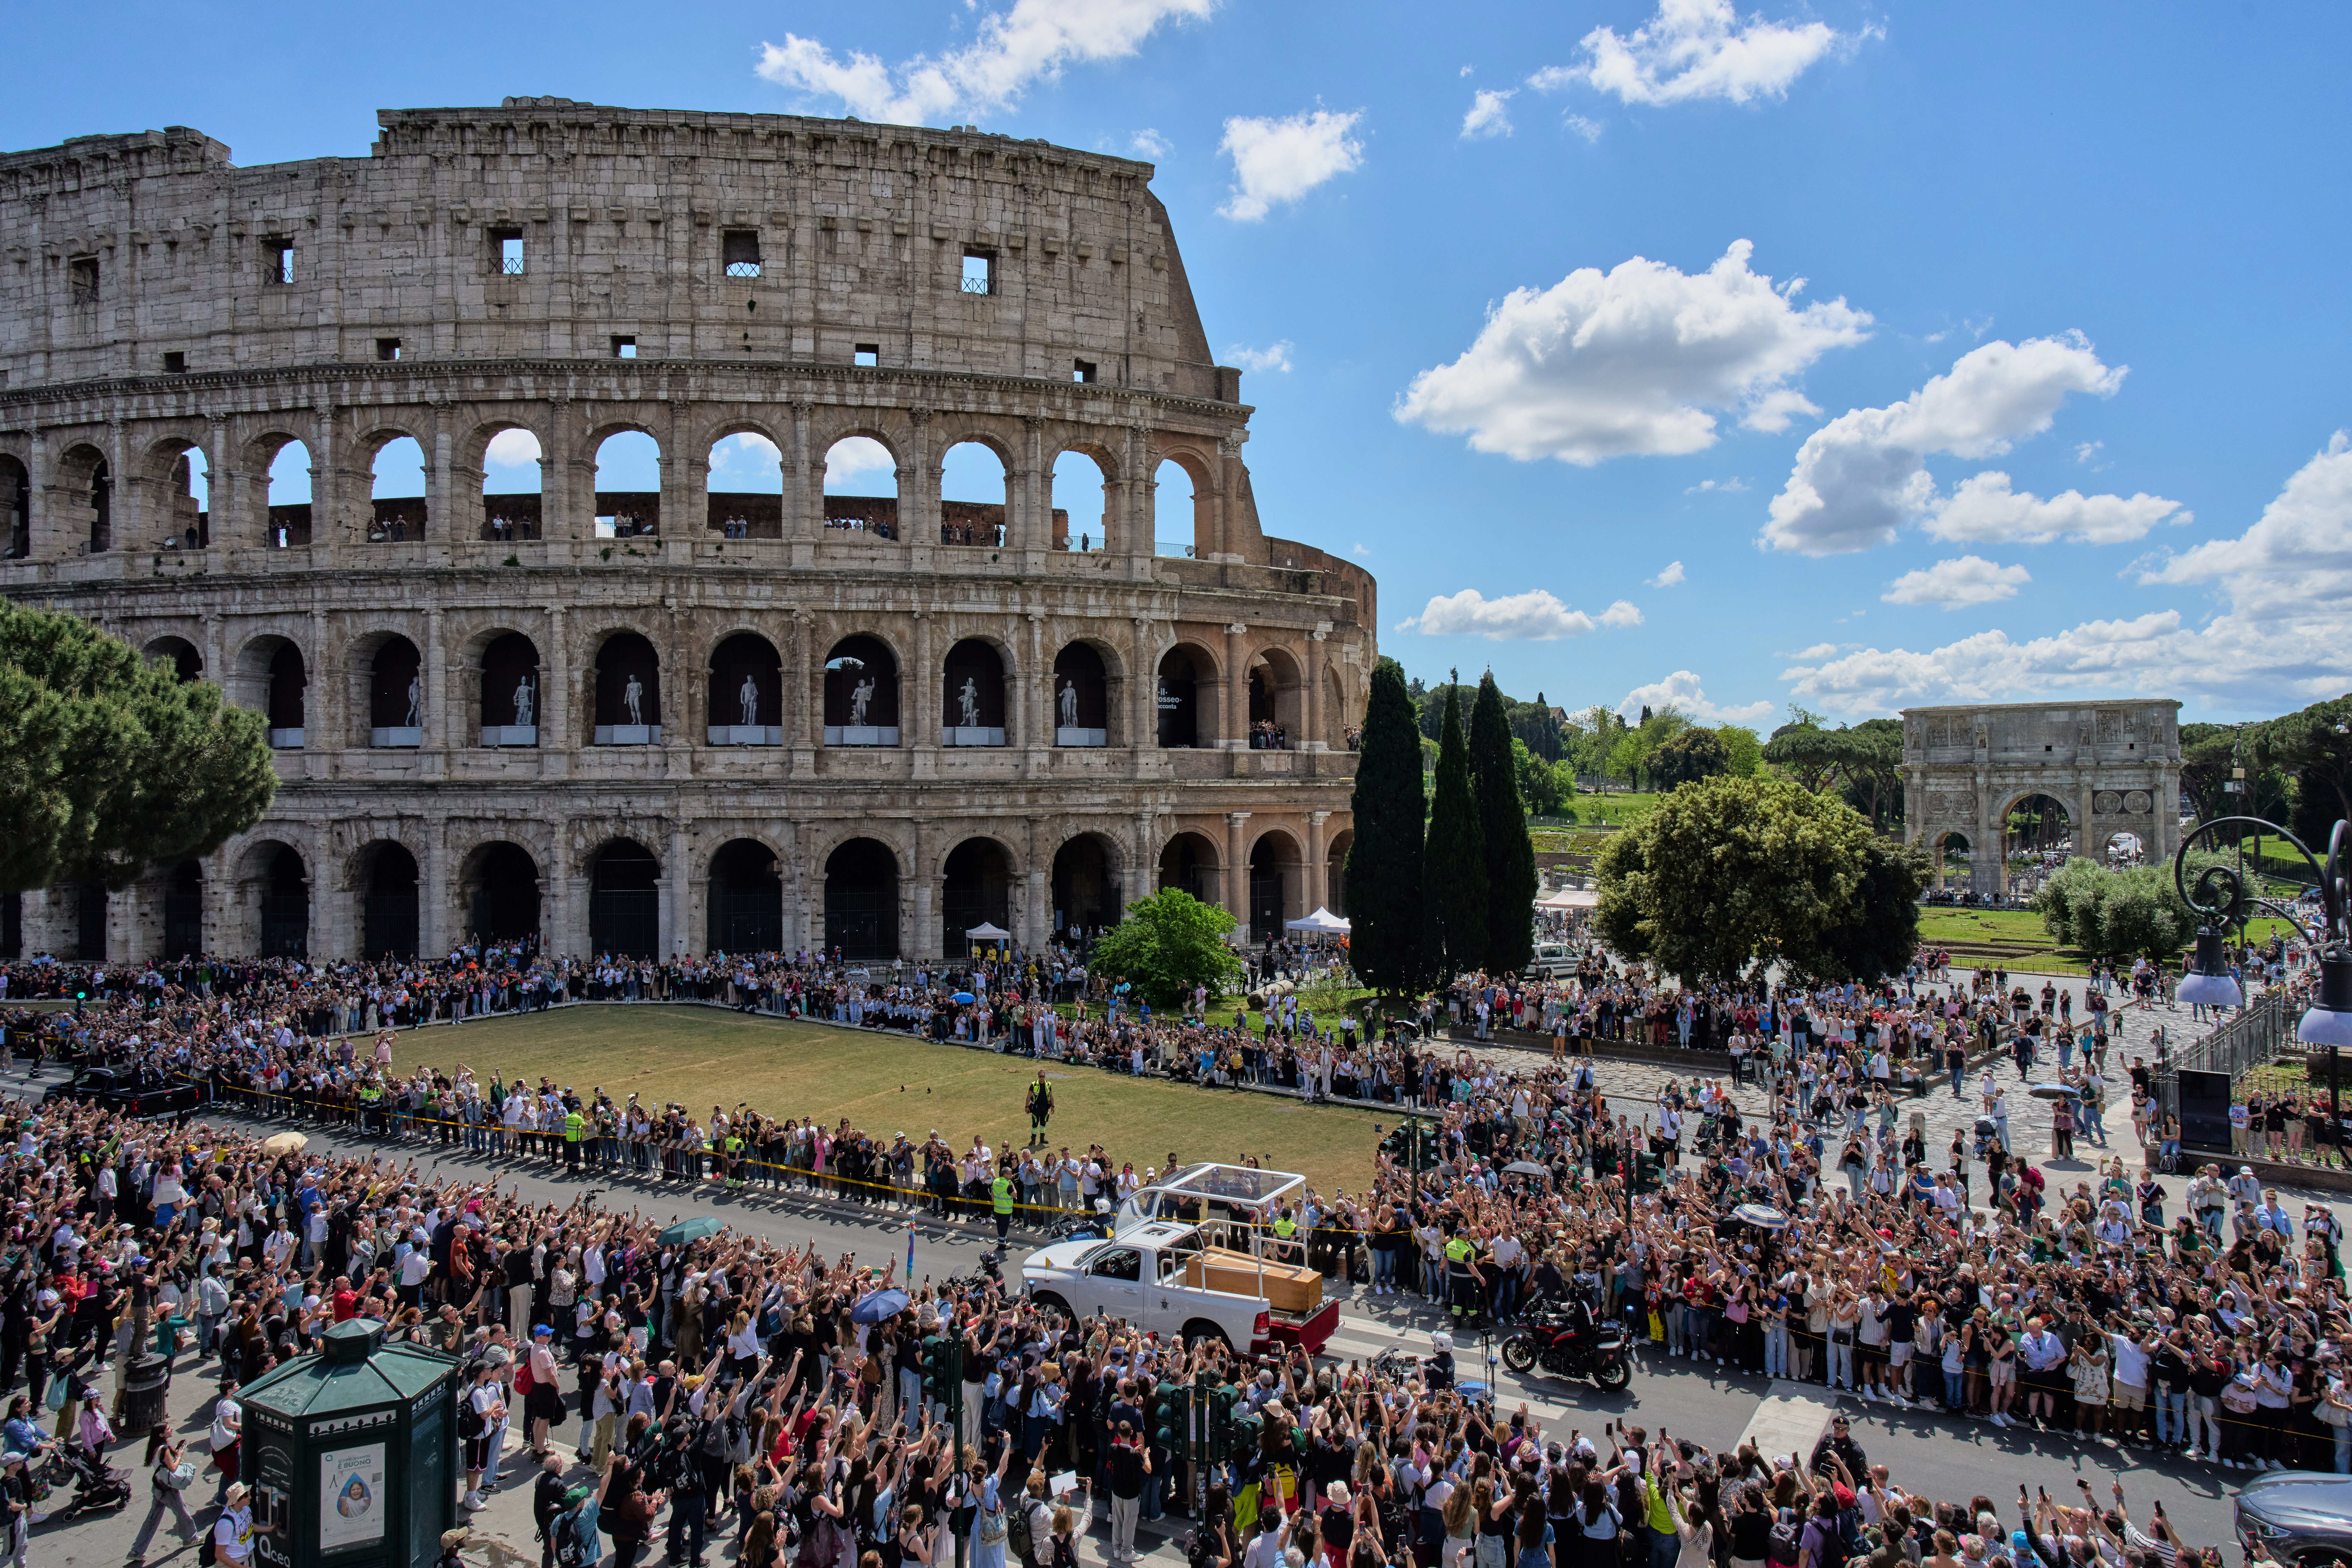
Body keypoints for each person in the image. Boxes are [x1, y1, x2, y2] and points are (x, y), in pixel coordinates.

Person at [126, 1434, 200, 1567]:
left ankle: (137, 1550)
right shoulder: (164, 1449)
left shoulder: (155, 1448)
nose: (171, 1429)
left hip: (158, 1487)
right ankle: (191, 1539)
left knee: (152, 1520)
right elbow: (173, 1468)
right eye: (168, 1429)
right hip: (168, 1489)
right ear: (161, 1434)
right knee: (183, 1514)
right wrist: (179, 1456)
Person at [214, 1481, 281, 1568]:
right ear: (237, 1500)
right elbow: (220, 1555)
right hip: (232, 1564)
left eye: (249, 1494)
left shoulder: (246, 1509)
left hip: (247, 1559)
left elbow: (250, 1527)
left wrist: (271, 1528)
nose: (250, 1497)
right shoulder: (226, 1524)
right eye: (246, 1496)